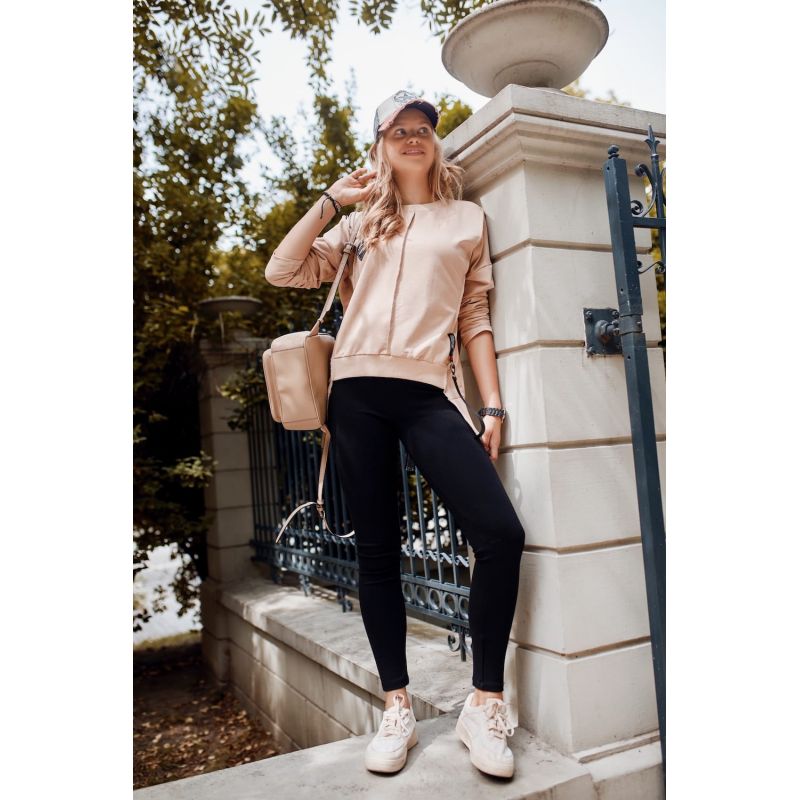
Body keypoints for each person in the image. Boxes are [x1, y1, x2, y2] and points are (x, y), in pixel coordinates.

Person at [264, 89, 525, 779]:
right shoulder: (360, 227)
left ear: (435, 143)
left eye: (424, 129)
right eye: (398, 130)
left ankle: (484, 703)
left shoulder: (467, 220)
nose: (414, 137)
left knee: (500, 534)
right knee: (378, 551)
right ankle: (396, 706)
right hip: (357, 394)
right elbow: (282, 270)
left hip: (429, 394)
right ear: (380, 145)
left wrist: (492, 407)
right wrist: (332, 202)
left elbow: (474, 316)